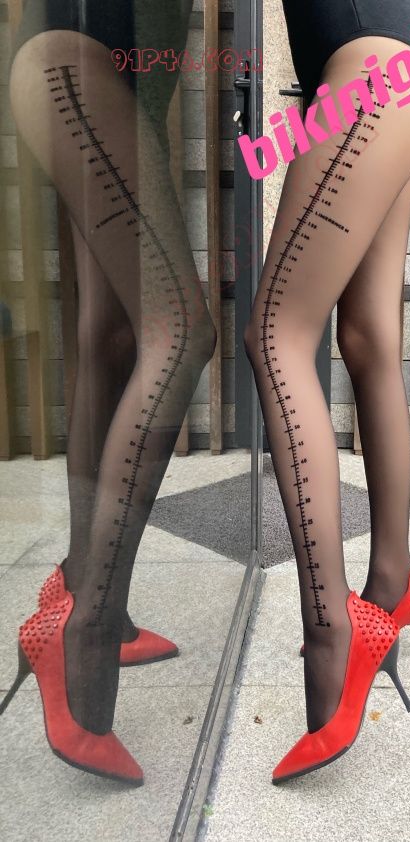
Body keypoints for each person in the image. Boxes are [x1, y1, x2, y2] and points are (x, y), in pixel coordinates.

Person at [0, 0, 214, 786]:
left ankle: (92, 603)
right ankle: (81, 634)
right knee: (181, 332)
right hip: (76, 64)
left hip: (101, 79)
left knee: (111, 336)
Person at [243, 0, 410, 783]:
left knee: (276, 334)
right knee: (367, 340)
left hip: (370, 74)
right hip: (409, 67)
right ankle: (394, 584)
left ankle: (334, 635)